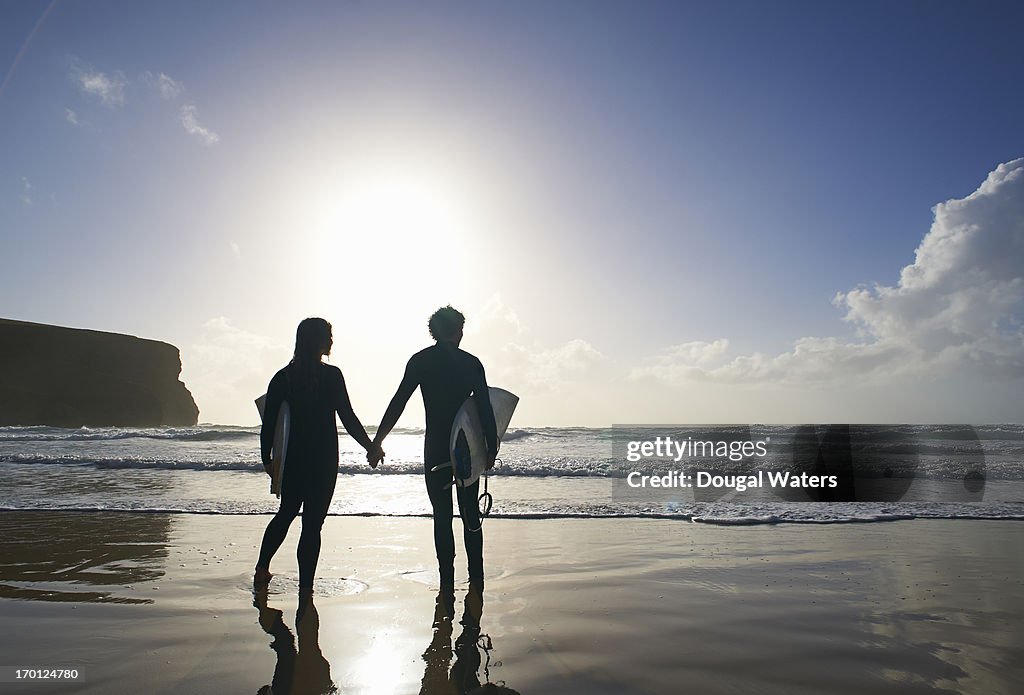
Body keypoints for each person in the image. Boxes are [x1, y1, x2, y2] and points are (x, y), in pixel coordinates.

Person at [372, 306, 498, 592]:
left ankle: (446, 580)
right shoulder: (472, 363)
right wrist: (491, 447)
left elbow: (398, 401)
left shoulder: (421, 361)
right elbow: (484, 408)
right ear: (458, 330)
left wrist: (378, 440)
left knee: (442, 515)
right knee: (470, 513)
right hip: (465, 448)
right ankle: (476, 578)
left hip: (436, 448)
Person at [255, 317, 384, 593]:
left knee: (286, 513)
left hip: (294, 459)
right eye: (328, 335)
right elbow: (347, 417)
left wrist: (268, 459)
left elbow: (269, 426)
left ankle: (262, 568)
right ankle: (306, 586)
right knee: (313, 524)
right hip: (324, 460)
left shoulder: (283, 377)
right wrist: (370, 446)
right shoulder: (332, 376)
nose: (331, 341)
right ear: (315, 340)